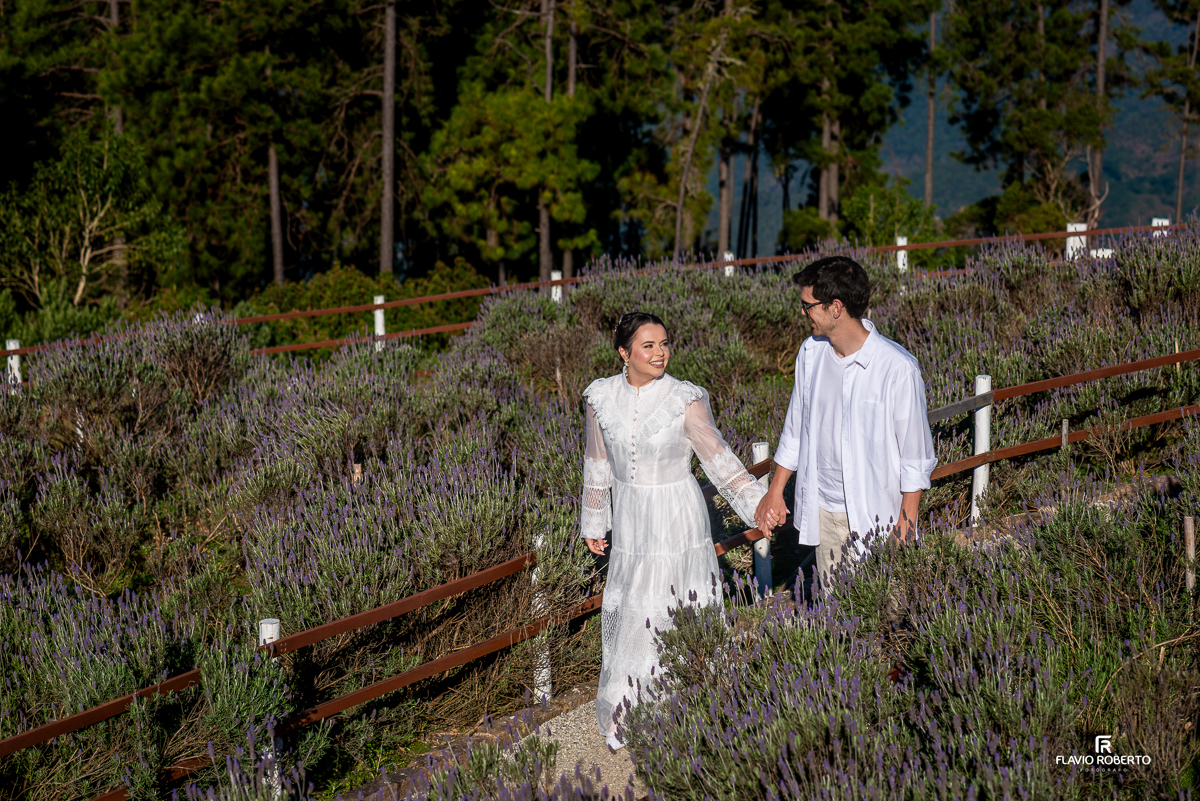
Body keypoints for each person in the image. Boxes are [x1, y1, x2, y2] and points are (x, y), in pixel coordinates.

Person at [580, 311, 774, 751]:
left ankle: (686, 701)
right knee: (634, 604)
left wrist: (756, 505)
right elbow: (597, 463)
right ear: (623, 352)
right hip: (629, 516)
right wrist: (594, 520)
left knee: (675, 601)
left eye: (664, 344)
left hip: (676, 514)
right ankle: (631, 707)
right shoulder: (600, 398)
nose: (660, 353)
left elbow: (718, 459)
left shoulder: (685, 397)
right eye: (648, 346)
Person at [754, 256, 937, 583]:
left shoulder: (897, 368)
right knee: (836, 616)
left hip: (876, 514)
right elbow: (796, 428)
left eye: (808, 305)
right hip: (823, 512)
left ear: (835, 307)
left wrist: (906, 524)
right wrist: (776, 491)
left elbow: (916, 456)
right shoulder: (810, 353)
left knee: (886, 616)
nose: (803, 312)